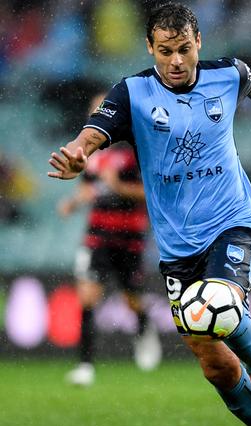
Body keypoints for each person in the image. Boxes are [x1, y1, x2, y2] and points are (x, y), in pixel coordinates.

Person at [48, 3, 251, 426]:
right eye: (165, 52)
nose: (176, 61)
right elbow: (94, 132)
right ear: (150, 49)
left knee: (219, 300)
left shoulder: (225, 75)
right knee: (212, 361)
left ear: (199, 43)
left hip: (233, 221)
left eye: (184, 50)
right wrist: (77, 153)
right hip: (178, 247)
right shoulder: (133, 92)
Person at [59, 92, 159, 386]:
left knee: (132, 300)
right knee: (87, 298)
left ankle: (143, 328)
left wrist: (118, 186)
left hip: (128, 237)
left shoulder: (135, 150)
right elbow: (92, 191)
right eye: (95, 111)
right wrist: (75, 202)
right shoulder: (88, 156)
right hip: (97, 236)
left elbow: (149, 195)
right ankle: (85, 365)